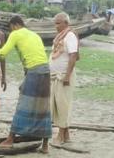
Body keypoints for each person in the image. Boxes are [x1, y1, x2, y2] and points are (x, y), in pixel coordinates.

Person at [0, 15, 52, 154]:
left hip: (35, 72)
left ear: (14, 25)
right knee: (44, 107)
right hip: (45, 71)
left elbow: (2, 53)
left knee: (23, 105)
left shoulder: (15, 33)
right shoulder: (35, 35)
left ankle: (10, 138)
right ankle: (45, 145)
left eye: (10, 28)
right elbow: (35, 56)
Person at [49, 12, 79, 145]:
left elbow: (73, 56)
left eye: (58, 23)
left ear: (66, 23)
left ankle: (60, 135)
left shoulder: (70, 35)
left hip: (64, 76)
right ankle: (66, 135)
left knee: (63, 105)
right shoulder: (59, 36)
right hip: (56, 76)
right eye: (55, 23)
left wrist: (67, 76)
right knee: (58, 105)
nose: (56, 26)